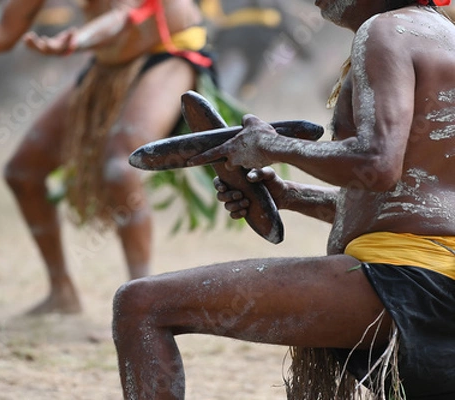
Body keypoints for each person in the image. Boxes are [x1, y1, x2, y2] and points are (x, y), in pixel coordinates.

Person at [112, 0, 455, 398]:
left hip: (408, 276)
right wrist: (290, 195)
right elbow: (415, 204)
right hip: (430, 271)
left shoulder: (385, 31)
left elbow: (378, 164)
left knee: (141, 304)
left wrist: (271, 145)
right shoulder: (440, 36)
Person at [0, 0, 217, 315]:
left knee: (119, 165)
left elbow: (124, 15)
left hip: (171, 56)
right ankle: (62, 293)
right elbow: (5, 31)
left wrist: (77, 40)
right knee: (23, 172)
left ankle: (147, 301)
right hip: (107, 61)